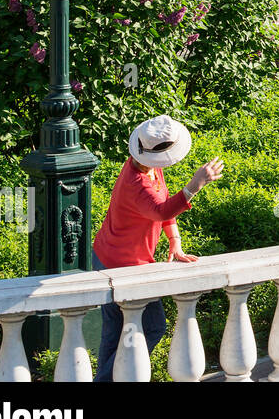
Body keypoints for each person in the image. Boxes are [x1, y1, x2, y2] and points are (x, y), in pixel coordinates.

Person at [92, 116, 224, 381]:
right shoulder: (137, 183)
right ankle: (109, 379)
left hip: (107, 255)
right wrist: (194, 185)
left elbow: (162, 204)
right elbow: (161, 209)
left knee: (115, 331)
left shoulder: (146, 165)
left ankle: (105, 378)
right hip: (123, 266)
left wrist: (174, 240)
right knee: (153, 327)